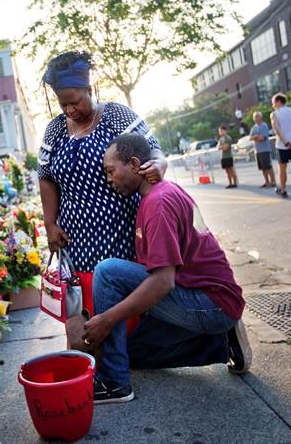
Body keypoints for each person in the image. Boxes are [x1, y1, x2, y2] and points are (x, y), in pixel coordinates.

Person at [83, 133, 251, 404]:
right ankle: (221, 340)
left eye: (111, 171)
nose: (108, 179)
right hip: (204, 298)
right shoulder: (158, 193)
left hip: (211, 302)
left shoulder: (158, 204)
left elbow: (163, 282)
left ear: (134, 164)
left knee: (108, 271)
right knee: (135, 352)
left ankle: (114, 382)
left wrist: (107, 319)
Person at [38, 51, 167, 276]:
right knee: (85, 296)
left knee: (121, 289)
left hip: (123, 235)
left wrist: (158, 164)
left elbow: (151, 148)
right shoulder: (55, 130)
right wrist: (50, 224)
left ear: (89, 90)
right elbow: (45, 176)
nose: (69, 110)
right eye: (63, 104)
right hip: (75, 243)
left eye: (75, 102)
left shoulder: (116, 115)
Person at [249, 111, 276, 188]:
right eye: (254, 117)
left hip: (265, 149)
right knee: (263, 168)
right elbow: (250, 138)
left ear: (260, 117)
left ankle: (273, 181)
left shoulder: (264, 125)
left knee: (268, 166)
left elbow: (262, 138)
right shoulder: (254, 127)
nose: (255, 118)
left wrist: (255, 137)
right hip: (257, 150)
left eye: (257, 116)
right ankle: (267, 181)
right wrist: (256, 137)